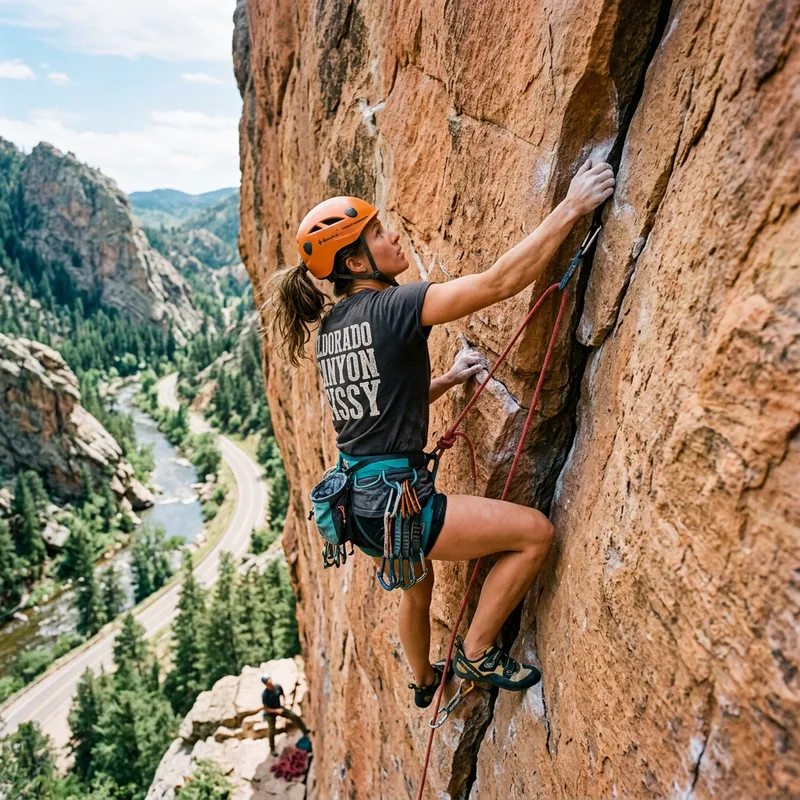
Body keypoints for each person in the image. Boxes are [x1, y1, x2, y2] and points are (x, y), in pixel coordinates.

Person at [269, 158, 615, 708]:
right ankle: (476, 652)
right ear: (357, 260)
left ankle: (424, 680)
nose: (394, 234)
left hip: (356, 503)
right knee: (535, 533)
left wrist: (449, 378)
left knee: (416, 586)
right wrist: (572, 206)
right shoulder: (396, 306)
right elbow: (499, 282)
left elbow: (376, 407)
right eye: (379, 233)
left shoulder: (333, 329)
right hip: (399, 502)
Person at [261, 673, 309, 756]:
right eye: (267, 680)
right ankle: (272, 749)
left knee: (294, 716)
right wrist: (276, 711)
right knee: (272, 731)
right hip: (270, 713)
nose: (269, 681)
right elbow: (266, 708)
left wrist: (283, 702)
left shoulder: (277, 687)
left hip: (279, 708)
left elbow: (282, 694)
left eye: (269, 678)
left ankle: (305, 731)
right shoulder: (265, 695)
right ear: (265, 683)